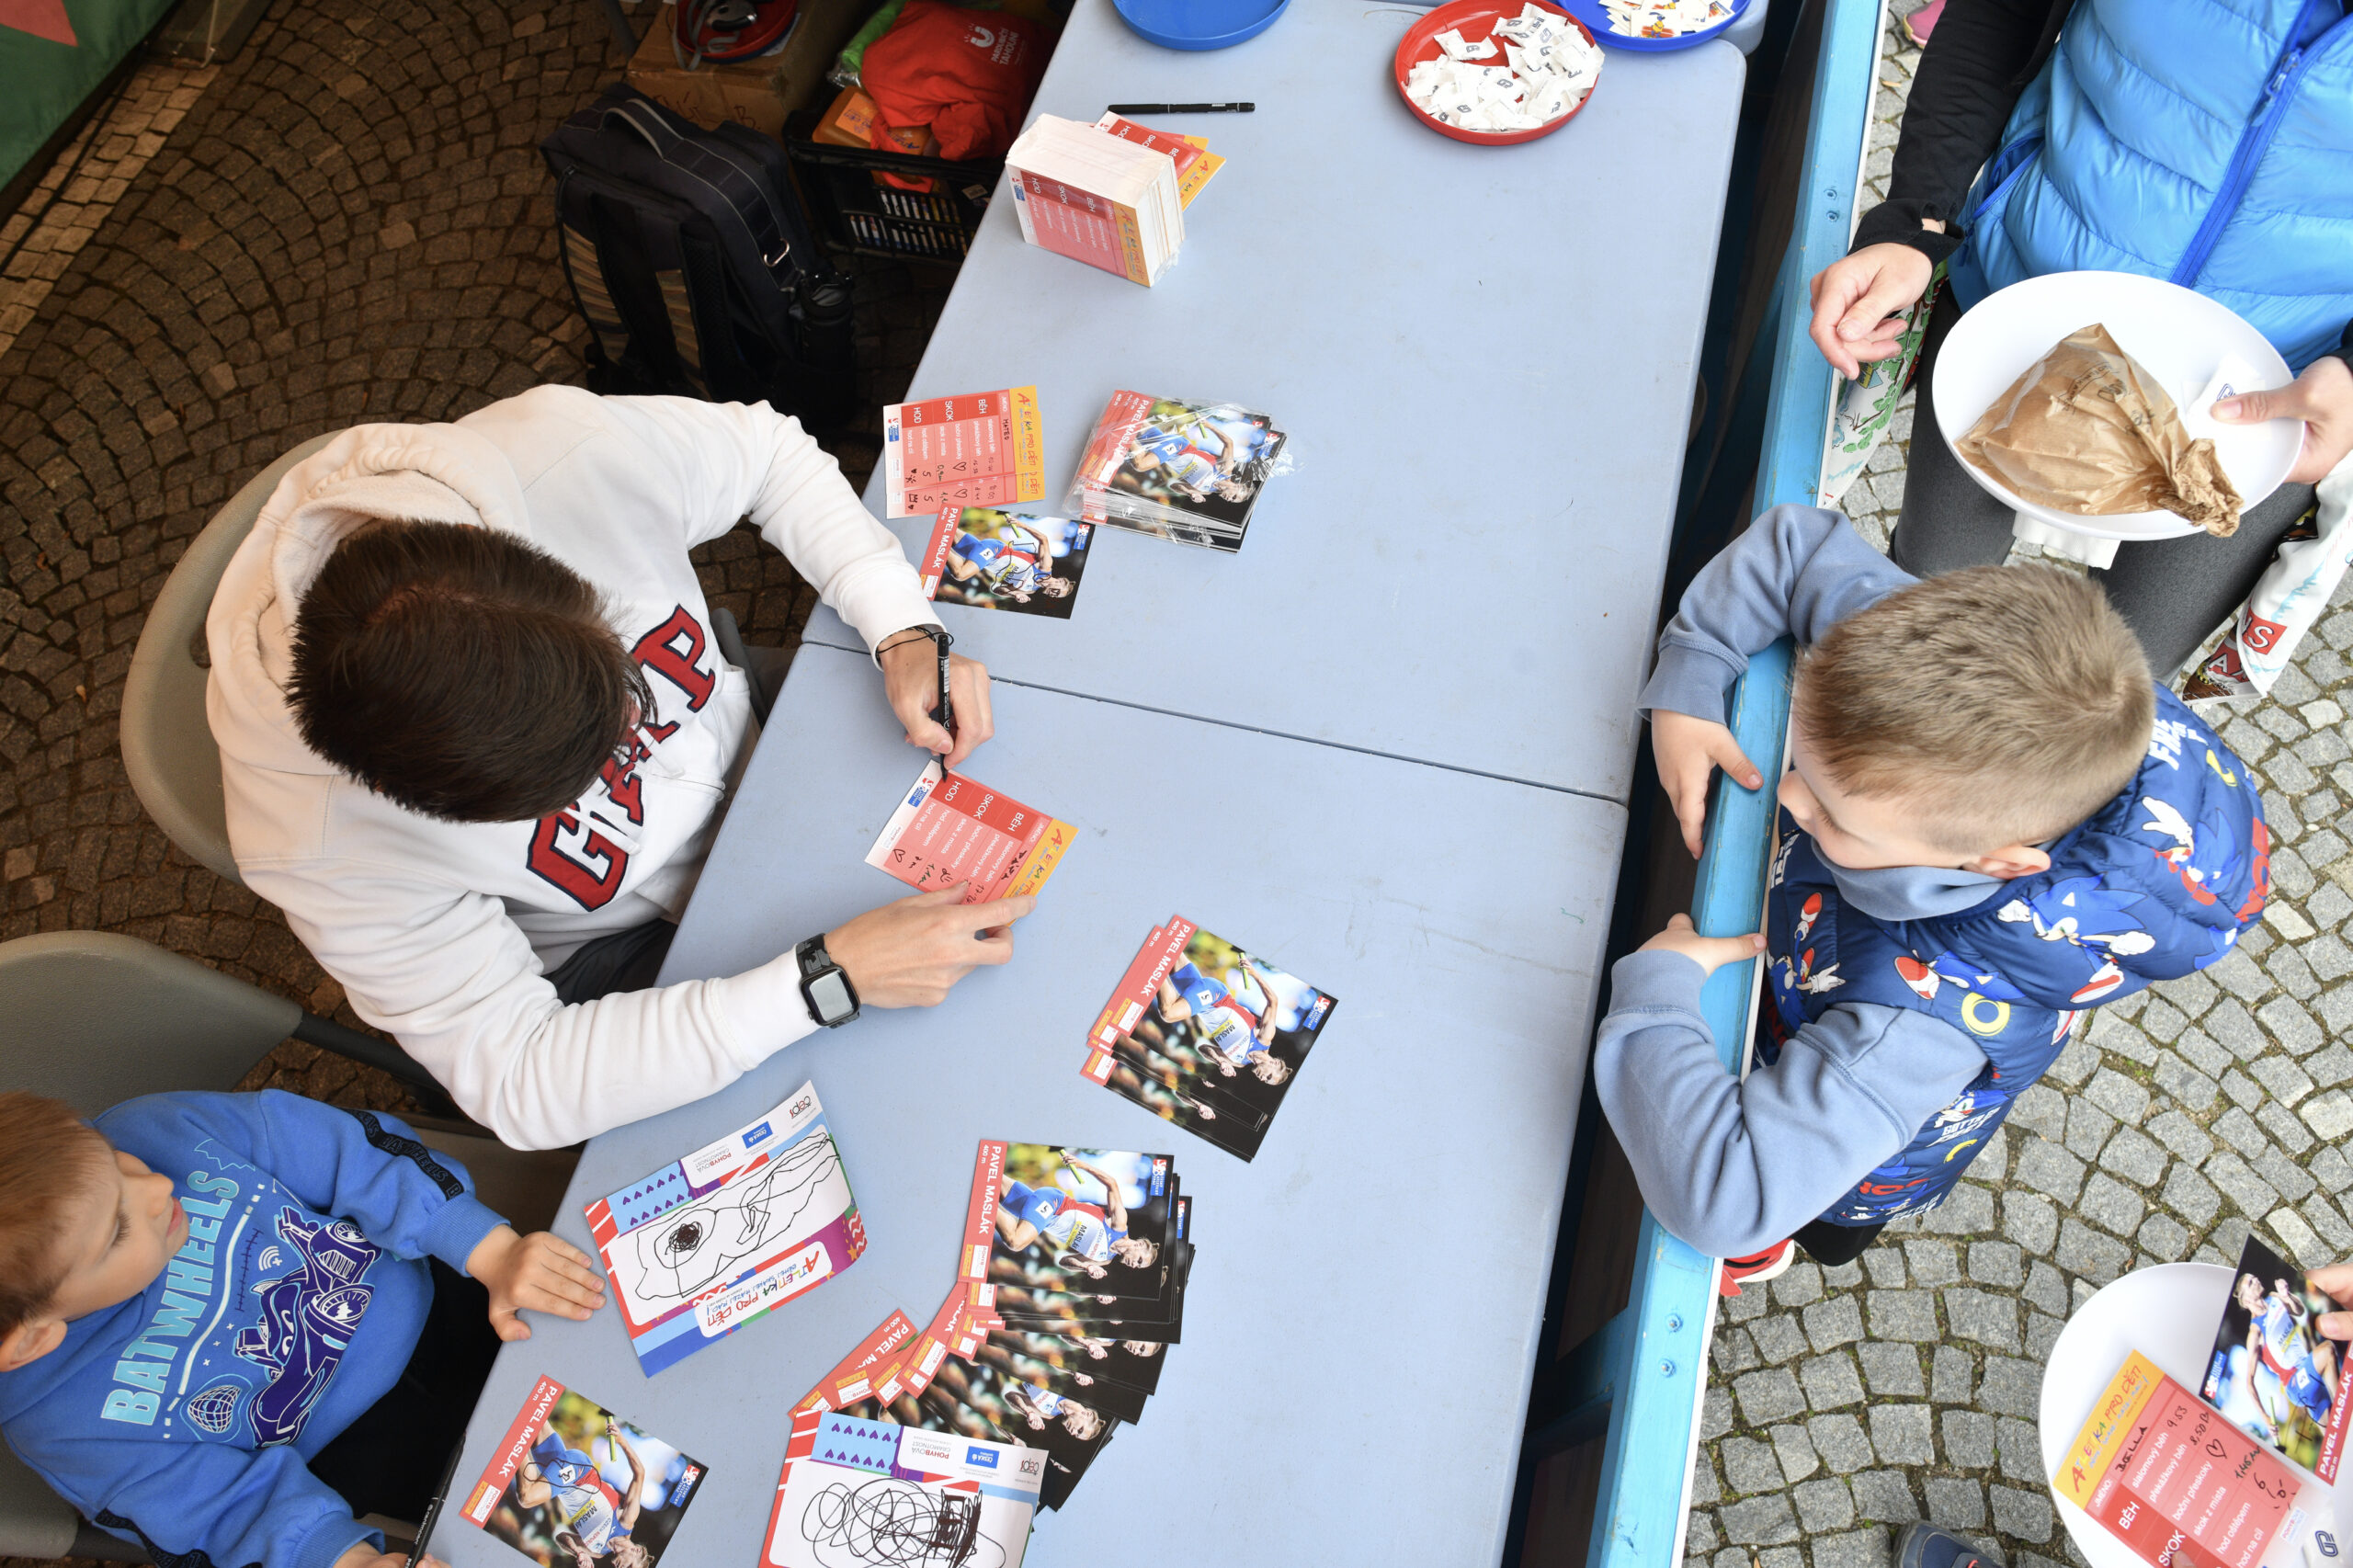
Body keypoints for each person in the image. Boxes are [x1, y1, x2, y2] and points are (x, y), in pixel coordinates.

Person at [208, 387, 1028, 1150]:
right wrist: (825, 981)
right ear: (405, 797)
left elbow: (771, 453)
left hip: (764, 747)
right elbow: (517, 1079)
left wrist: (898, 624)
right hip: (621, 945)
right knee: (922, 1103)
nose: (647, 754)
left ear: (558, 584)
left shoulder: (568, 455)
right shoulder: (314, 839)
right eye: (586, 782)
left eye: (629, 696)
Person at [1597, 506, 2268, 1289]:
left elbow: (1726, 1199)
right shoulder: (1935, 684)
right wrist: (1692, 677)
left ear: (1997, 864)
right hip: (1818, 963)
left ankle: (1772, 1253)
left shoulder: (1913, 1033)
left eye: (1833, 814)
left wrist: (1657, 991)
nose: (1787, 796)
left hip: (1866, 1136)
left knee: (1822, 1222)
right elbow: (1797, 548)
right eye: (1804, 766)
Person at [1807, 0, 2353, 676]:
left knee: (2121, 679)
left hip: (2267, 392)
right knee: (1924, 600)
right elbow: (2003, 17)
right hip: (2020, 309)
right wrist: (1917, 220)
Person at [0, 1088, 603, 1568]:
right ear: (30, 1339)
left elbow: (347, 1152)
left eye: (109, 1157)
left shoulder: (155, 1130)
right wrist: (342, 1558)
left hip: (439, 1293)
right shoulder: (61, 1427)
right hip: (370, 1447)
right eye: (116, 1230)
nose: (155, 1187)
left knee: (605, 1364)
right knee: (575, 1522)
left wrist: (483, 1245)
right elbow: (220, 1514)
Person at [994, 1158, 1159, 1278]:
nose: (1134, 1266)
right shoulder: (1119, 1225)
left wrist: (1085, 1267)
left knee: (994, 1181)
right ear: (1140, 1244)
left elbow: (1064, 1261)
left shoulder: (1104, 1260)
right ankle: (986, 1203)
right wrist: (1082, 1165)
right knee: (1016, 1242)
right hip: (1054, 1203)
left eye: (1138, 1266)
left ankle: (986, 1176)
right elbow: (1111, 1184)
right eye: (1139, 1260)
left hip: (1045, 1219)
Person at [514, 1424, 648, 1567]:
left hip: (562, 1484)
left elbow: (561, 1537)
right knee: (527, 1498)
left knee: (535, 1425)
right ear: (637, 1550)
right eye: (630, 1567)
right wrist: (621, 1440)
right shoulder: (626, 1520)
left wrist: (578, 1552)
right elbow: (639, 1473)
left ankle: (518, 1429)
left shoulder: (598, 1551)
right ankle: (513, 1444)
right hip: (579, 1471)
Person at [1155, 958, 1289, 1085]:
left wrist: (1220, 1062)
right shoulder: (1264, 1038)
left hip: (1202, 1006)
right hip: (1216, 996)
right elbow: (1273, 1001)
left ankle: (1158, 958)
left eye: (1265, 1081)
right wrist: (1254, 973)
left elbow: (1202, 1048)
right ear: (1275, 1063)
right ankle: (1153, 970)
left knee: (1172, 957)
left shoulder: (1239, 1062)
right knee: (1168, 1013)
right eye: (1269, 1076)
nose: (1262, 1078)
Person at [943, 516, 1074, 603]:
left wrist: (1014, 594)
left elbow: (996, 589)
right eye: (1057, 591)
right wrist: (1022, 525)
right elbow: (1043, 539)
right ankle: (940, 547)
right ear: (1059, 581)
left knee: (948, 531)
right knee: (960, 574)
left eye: (1056, 596)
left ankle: (942, 529)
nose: (1053, 594)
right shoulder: (1045, 567)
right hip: (995, 550)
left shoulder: (1029, 590)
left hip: (986, 560)